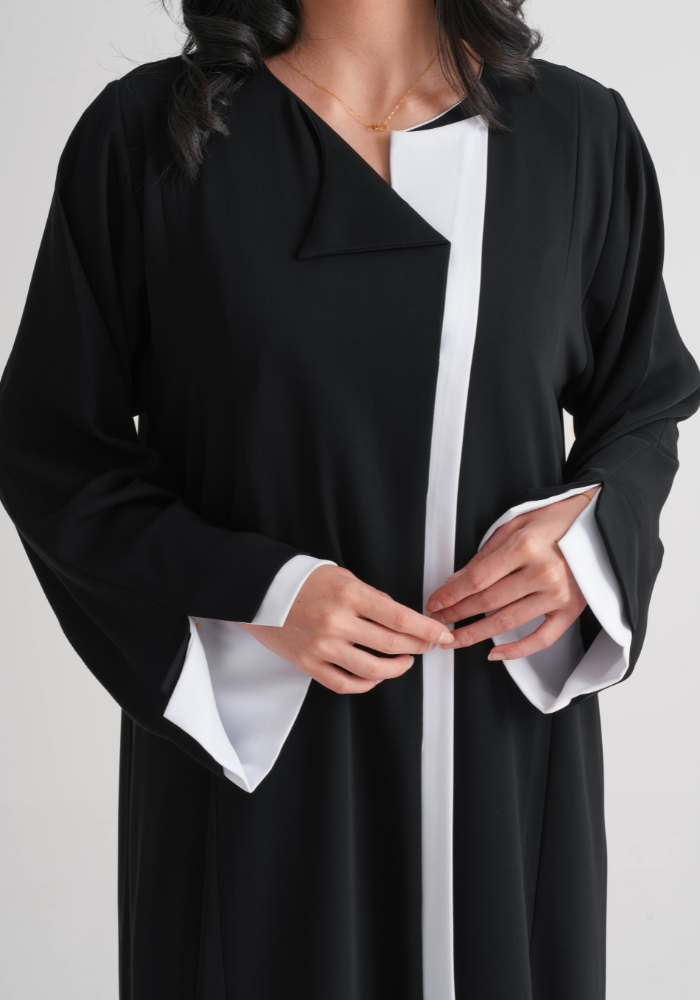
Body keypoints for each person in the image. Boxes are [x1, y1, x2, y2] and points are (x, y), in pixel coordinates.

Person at [0, 0, 697, 997]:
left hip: (497, 754)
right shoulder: (151, 138)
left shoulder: (576, 136)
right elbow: (52, 447)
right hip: (259, 773)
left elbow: (644, 402)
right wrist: (260, 590)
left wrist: (582, 541)